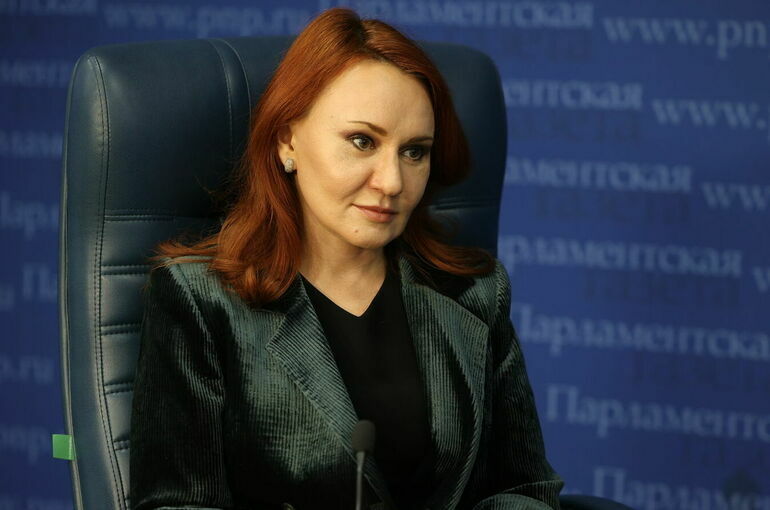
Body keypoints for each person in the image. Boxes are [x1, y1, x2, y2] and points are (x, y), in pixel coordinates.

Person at [129, 7, 564, 510]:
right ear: (287, 140)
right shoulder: (201, 301)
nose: (392, 182)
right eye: (362, 141)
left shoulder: (475, 294)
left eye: (414, 152)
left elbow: (523, 490)